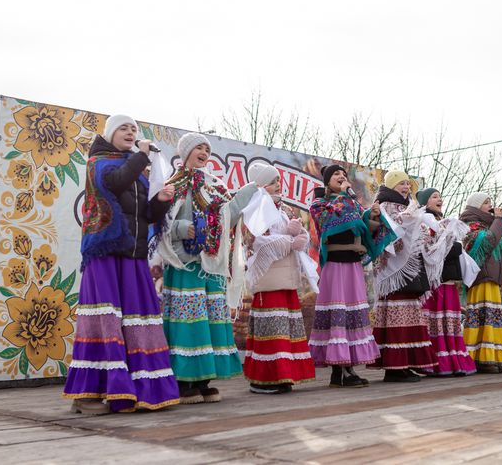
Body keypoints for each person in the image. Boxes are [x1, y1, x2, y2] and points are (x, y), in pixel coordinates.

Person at [63, 115, 179, 414]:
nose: (130, 132)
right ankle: (87, 395)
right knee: (105, 321)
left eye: (134, 129)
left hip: (133, 256)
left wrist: (162, 200)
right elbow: (114, 184)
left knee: (137, 322)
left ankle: (139, 390)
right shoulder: (99, 163)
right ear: (111, 133)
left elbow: (146, 216)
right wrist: (141, 155)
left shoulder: (137, 170)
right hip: (105, 254)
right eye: (124, 128)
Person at [152, 132, 258, 404]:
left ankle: (204, 380)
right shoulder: (171, 185)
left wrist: (248, 192)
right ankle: (184, 381)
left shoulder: (215, 187)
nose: (204, 152)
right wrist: (179, 228)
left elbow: (229, 216)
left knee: (209, 323)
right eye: (198, 147)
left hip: (210, 266)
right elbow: (157, 223)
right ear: (185, 152)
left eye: (206, 149)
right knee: (189, 324)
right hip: (184, 264)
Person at [308, 165, 392, 387]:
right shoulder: (319, 204)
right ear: (327, 182)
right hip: (335, 265)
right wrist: (350, 202)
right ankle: (341, 370)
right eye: (336, 175)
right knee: (339, 314)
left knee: (352, 315)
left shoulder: (351, 203)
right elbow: (332, 222)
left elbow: (360, 230)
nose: (341, 177)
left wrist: (371, 218)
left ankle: (346, 369)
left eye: (344, 175)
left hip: (352, 265)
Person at [241, 163, 316, 394]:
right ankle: (264, 378)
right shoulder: (255, 208)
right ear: (261, 185)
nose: (278, 185)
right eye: (273, 182)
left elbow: (292, 235)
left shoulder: (282, 210)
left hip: (286, 277)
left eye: (278, 181)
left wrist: (300, 235)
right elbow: (255, 241)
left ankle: (284, 375)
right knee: (271, 327)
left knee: (286, 327)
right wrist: (288, 241)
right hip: (269, 278)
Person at [372, 170, 438, 382]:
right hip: (393, 271)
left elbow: (422, 235)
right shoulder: (384, 207)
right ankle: (394, 367)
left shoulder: (411, 207)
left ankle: (407, 363)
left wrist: (434, 234)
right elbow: (386, 236)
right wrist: (404, 223)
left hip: (411, 270)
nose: (406, 187)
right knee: (396, 317)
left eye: (408, 184)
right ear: (391, 186)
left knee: (410, 317)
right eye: (401, 183)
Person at [416, 188, 476, 376]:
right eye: (434, 197)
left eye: (440, 196)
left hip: (448, 282)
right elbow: (429, 249)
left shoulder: (442, 222)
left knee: (449, 322)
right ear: (425, 202)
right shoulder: (423, 221)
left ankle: (453, 360)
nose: (439, 199)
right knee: (437, 322)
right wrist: (452, 244)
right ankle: (437, 362)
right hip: (435, 283)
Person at [459, 192, 502, 373]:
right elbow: (486, 243)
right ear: (475, 206)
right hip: (480, 279)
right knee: (482, 318)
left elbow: (496, 254)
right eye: (486, 202)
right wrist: (498, 220)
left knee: (492, 319)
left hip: (492, 278)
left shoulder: (488, 225)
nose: (491, 205)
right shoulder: (469, 224)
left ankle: (490, 356)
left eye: (490, 201)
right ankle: (478, 358)